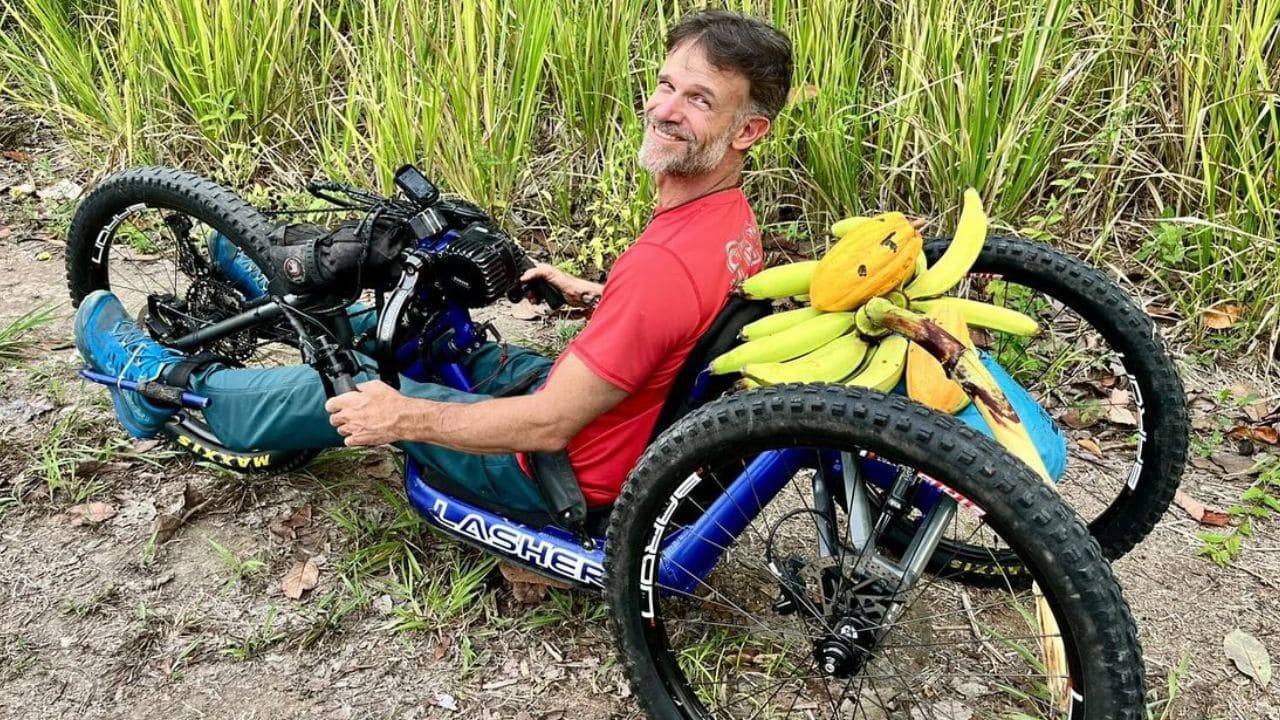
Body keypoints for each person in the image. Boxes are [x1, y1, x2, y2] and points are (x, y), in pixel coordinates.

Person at [73, 10, 794, 518]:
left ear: (747, 131)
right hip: (628, 424)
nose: (665, 108)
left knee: (337, 390)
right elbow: (678, 325)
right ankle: (264, 270)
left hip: (563, 468)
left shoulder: (666, 263)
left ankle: (156, 388)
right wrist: (598, 296)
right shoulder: (725, 224)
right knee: (431, 336)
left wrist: (398, 415)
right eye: (667, 84)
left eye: (699, 100)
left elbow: (545, 425)